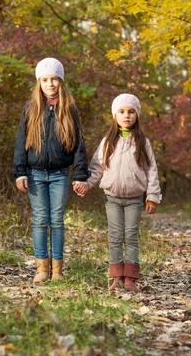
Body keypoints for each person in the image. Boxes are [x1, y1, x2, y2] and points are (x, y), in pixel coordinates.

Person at [13, 57, 89, 284]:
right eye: (45, 79)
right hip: (35, 174)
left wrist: (81, 175)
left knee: (56, 220)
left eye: (54, 79)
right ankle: (41, 268)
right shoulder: (31, 109)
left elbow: (79, 144)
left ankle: (57, 270)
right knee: (39, 220)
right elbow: (21, 142)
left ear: (61, 81)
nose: (50, 84)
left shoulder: (69, 110)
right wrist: (20, 172)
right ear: (39, 82)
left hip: (59, 175)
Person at [74, 94, 161, 292]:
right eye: (121, 112)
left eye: (131, 112)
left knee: (130, 236)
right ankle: (116, 277)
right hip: (111, 198)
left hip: (134, 199)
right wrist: (86, 184)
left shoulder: (142, 142)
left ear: (137, 115)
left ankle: (130, 277)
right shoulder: (107, 142)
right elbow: (97, 168)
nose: (126, 115)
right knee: (115, 236)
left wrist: (152, 196)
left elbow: (152, 170)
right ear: (115, 115)